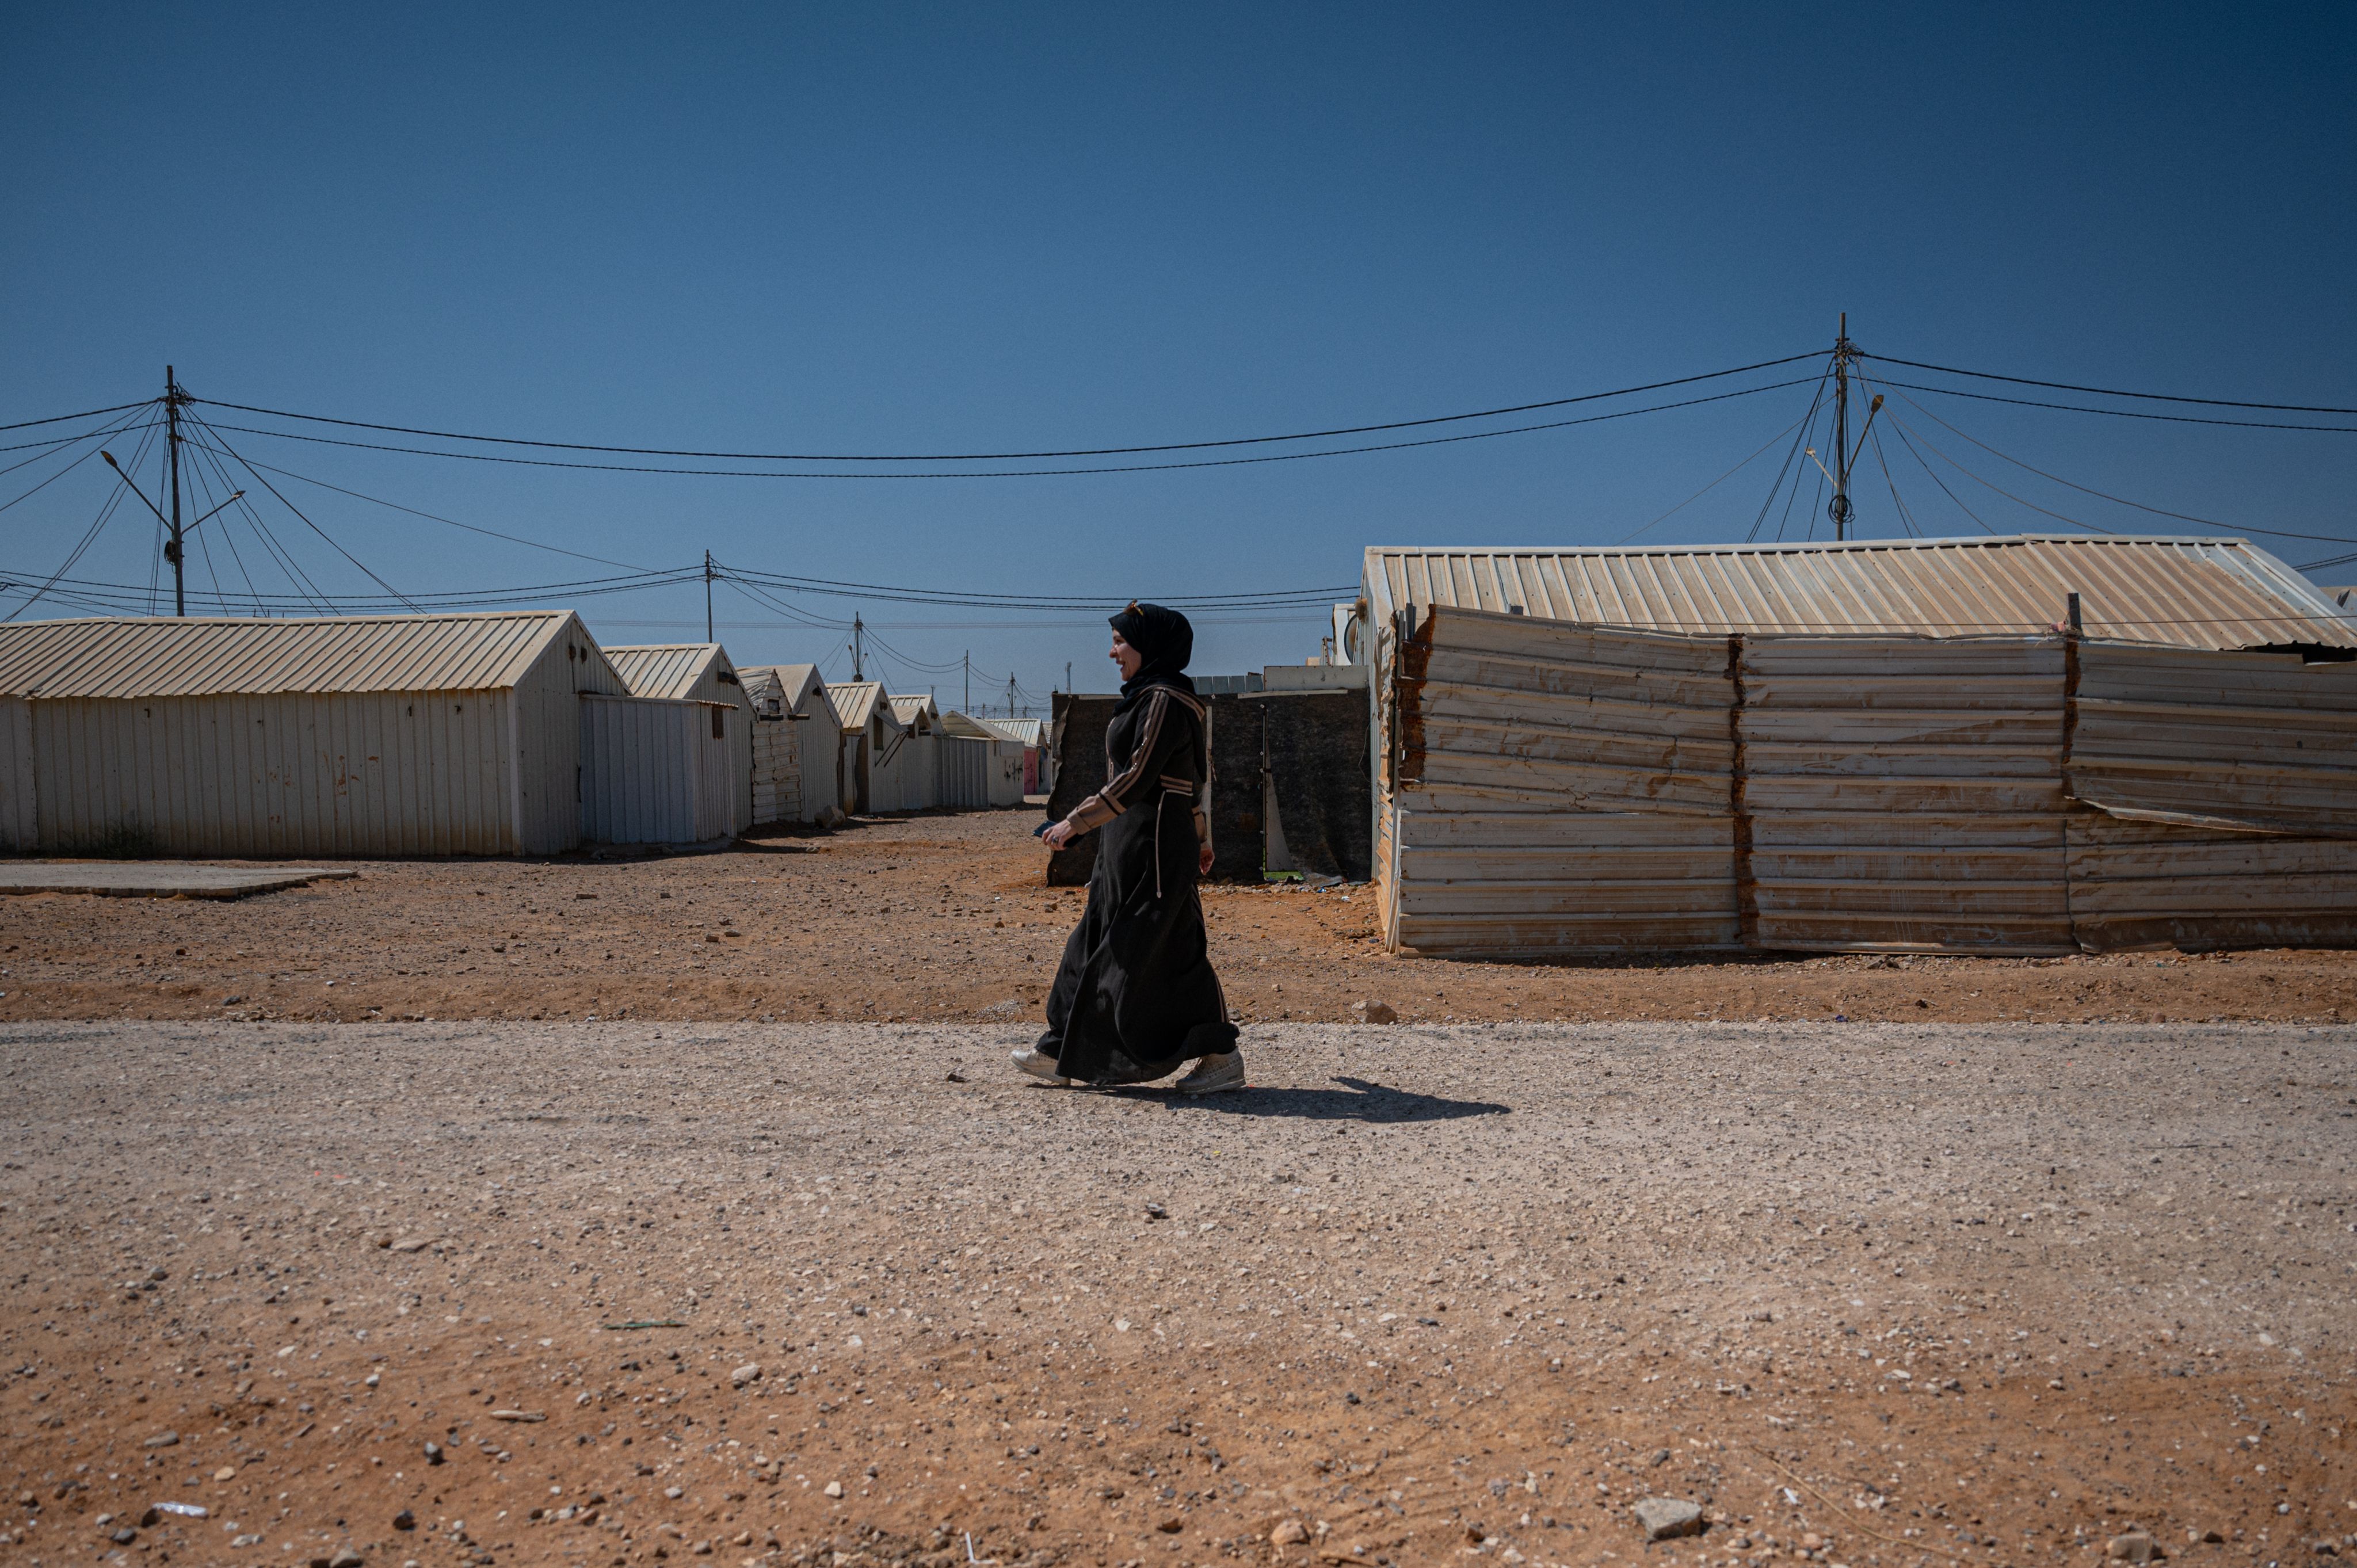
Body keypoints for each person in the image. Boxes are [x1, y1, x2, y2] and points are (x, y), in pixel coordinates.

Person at [1012, 602, 1244, 1093]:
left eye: (1120, 641)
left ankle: (1221, 1055)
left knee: (1162, 947)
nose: (1112, 651)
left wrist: (1074, 823)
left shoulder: (1166, 699)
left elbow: (1145, 777)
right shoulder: (1147, 697)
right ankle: (1058, 1050)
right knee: (1094, 936)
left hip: (1155, 841)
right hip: (1128, 839)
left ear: (1149, 645)